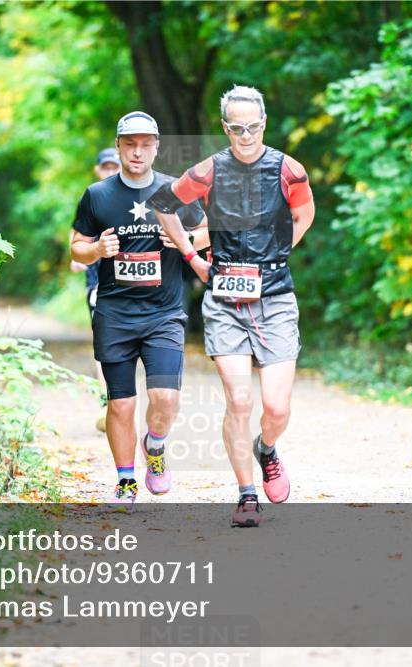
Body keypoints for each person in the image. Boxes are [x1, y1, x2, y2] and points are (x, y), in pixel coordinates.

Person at [150, 85, 315, 527]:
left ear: (264, 123)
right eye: (237, 128)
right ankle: (246, 494)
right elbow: (163, 205)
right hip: (224, 302)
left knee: (276, 408)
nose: (246, 135)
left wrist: (281, 251)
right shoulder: (208, 171)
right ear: (225, 128)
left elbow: (304, 214)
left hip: (276, 298)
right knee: (239, 400)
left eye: (253, 127)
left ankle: (267, 449)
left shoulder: (288, 169)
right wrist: (191, 257)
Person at [70, 112, 208, 506]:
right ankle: (126, 480)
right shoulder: (97, 195)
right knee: (121, 403)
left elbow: (207, 230)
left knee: (165, 398)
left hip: (163, 313)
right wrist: (97, 249)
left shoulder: (174, 190)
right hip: (114, 313)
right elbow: (77, 245)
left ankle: (156, 446)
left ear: (156, 147)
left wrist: (183, 240)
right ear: (118, 146)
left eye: (145, 143)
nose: (137, 151)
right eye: (129, 143)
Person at [70, 148, 121, 432]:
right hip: (99, 286)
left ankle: (124, 401)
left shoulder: (135, 198)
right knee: (105, 344)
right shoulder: (92, 199)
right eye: (106, 167)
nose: (111, 171)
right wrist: (83, 256)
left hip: (133, 289)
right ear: (98, 170)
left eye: (115, 165)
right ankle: (107, 401)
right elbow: (76, 242)